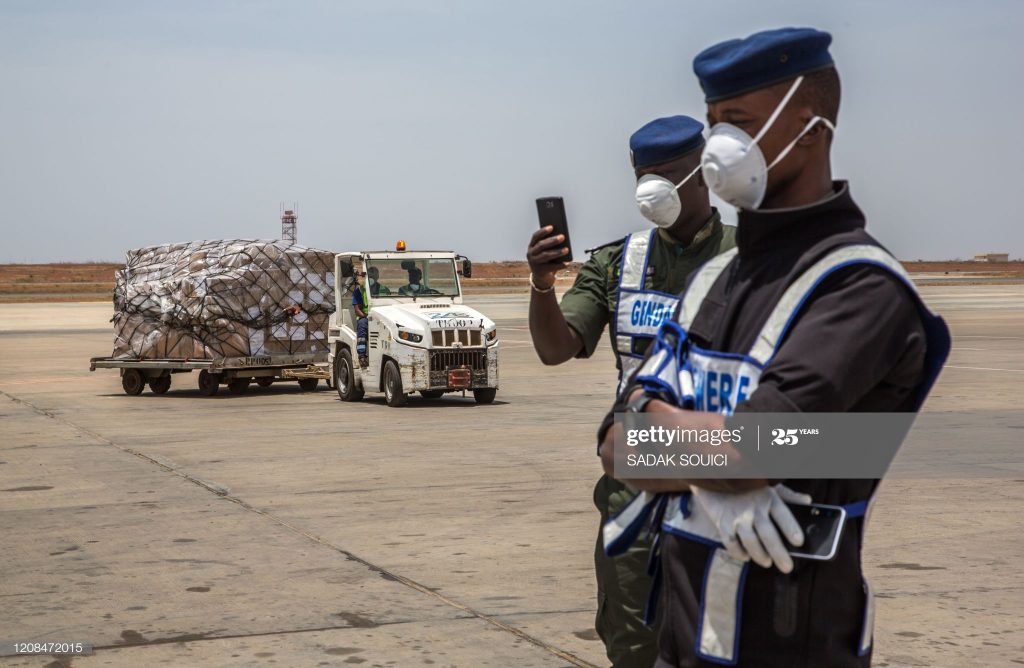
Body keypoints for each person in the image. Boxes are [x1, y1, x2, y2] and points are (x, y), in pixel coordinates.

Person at [597, 28, 950, 667]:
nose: (718, 146)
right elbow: (617, 445)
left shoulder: (858, 289)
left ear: (811, 127)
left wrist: (692, 443)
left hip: (793, 646)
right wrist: (718, 469)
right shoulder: (715, 279)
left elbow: (751, 445)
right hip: (681, 645)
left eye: (736, 121)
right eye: (712, 124)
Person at [527, 116, 735, 667]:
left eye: (665, 175)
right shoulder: (619, 262)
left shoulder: (753, 259)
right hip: (634, 506)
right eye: (643, 176)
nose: (652, 190)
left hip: (731, 495)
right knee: (636, 650)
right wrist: (542, 285)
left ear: (703, 172)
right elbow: (556, 347)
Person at [351, 271, 370, 367]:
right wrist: (367, 317)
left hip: (379, 317)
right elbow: (357, 310)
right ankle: (361, 356)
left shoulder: (383, 289)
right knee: (362, 325)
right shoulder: (359, 291)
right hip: (365, 317)